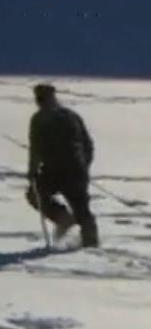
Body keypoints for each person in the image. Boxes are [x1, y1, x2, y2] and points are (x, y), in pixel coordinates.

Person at [26, 83, 99, 247]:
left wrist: (31, 171)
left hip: (57, 170)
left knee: (35, 195)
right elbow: (87, 144)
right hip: (76, 170)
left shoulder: (39, 119)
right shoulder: (71, 115)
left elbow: (35, 148)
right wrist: (84, 166)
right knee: (81, 208)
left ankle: (65, 220)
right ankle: (89, 241)